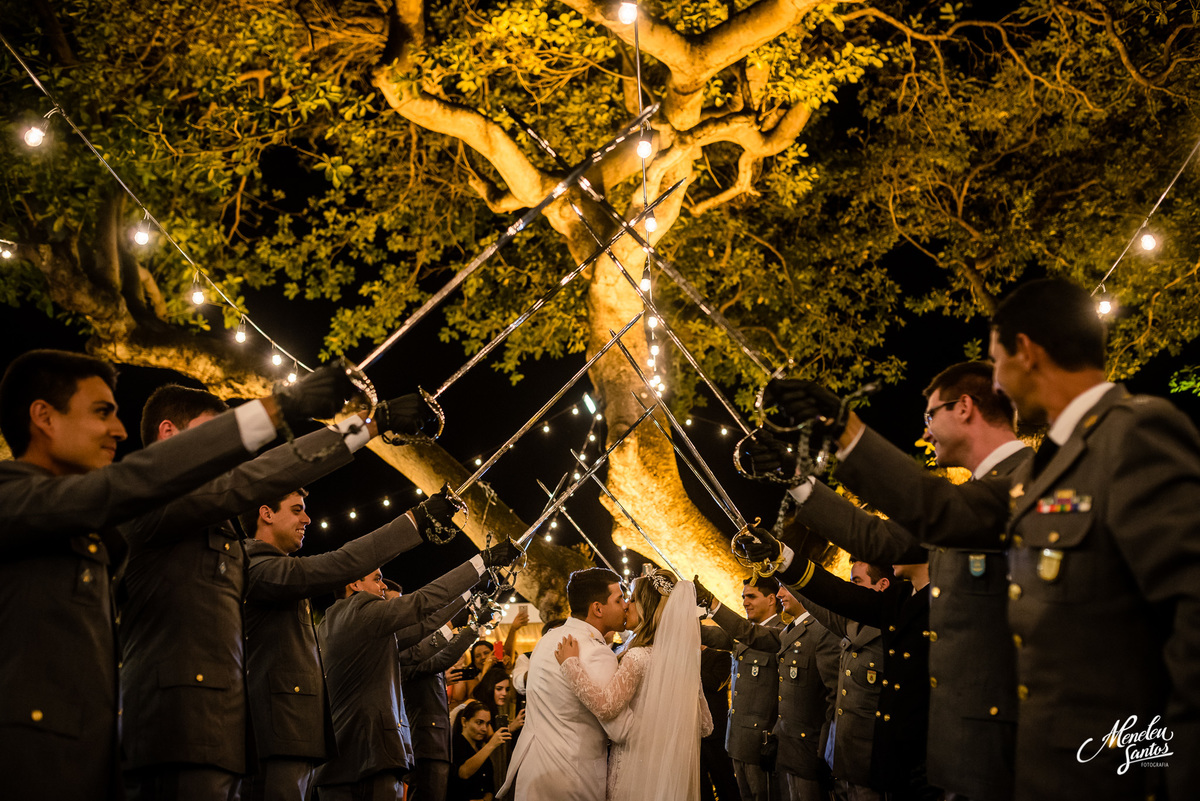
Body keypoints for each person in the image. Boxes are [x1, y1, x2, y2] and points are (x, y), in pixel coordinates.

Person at [760, 278, 1200, 800]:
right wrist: (841, 429)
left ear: (1026, 351)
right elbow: (940, 512)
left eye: (998, 361)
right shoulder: (1048, 466)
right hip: (1039, 768)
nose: (1001, 385)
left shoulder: (1134, 433)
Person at [0, 349, 353, 800]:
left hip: (94, 754)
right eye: (102, 412)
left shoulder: (89, 522)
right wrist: (286, 408)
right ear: (44, 417)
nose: (119, 430)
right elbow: (142, 483)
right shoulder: (13, 495)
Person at [118, 382, 435, 799]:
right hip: (172, 725)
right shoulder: (151, 497)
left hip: (223, 730)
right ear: (169, 435)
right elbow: (271, 474)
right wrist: (368, 425)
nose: (229, 451)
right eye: (217, 434)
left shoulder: (221, 532)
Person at [750, 360, 1026, 801]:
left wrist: (846, 429)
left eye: (929, 416)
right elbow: (875, 539)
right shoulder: (969, 502)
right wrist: (796, 482)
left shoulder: (1031, 481)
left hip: (1010, 753)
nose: (926, 432)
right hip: (950, 754)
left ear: (965, 407)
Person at [239, 486, 460, 801]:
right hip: (275, 735)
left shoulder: (280, 574)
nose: (308, 519)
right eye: (297, 509)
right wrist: (416, 519)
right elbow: (341, 564)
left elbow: (420, 624)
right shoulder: (259, 565)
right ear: (266, 512)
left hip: (296, 739)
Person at [315, 540, 520, 800]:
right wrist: (482, 562)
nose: (383, 587)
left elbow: (424, 624)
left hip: (341, 761)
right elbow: (423, 605)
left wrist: (469, 599)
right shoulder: (361, 613)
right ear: (354, 584)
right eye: (377, 579)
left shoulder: (331, 624)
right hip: (371, 756)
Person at [554, 568, 714, 800]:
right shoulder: (682, 661)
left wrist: (570, 665)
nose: (626, 605)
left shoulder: (638, 657)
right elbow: (705, 725)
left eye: (633, 599)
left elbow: (606, 707)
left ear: (647, 608)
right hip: (668, 773)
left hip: (635, 769)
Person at [694, 580, 840, 801]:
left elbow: (831, 698)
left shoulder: (809, 632)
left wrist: (825, 752)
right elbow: (734, 633)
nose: (745, 603)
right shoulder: (786, 633)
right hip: (747, 741)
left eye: (751, 597)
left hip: (783, 744)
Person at [498, 567, 633, 801]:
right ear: (598, 608)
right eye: (619, 599)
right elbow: (620, 729)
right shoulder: (595, 652)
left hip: (533, 773)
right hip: (574, 779)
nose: (625, 605)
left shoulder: (548, 639)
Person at [700, 576, 784, 801]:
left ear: (771, 599)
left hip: (762, 744)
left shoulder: (782, 634)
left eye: (751, 596)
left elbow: (747, 633)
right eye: (743, 597)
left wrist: (715, 605)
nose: (745, 602)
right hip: (737, 741)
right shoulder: (745, 632)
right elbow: (711, 635)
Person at [448, 700, 508, 801]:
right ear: (464, 722)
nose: (484, 728)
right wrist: (491, 745)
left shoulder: (480, 749)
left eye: (487, 723)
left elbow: (490, 788)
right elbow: (463, 772)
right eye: (479, 722)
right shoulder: (455, 745)